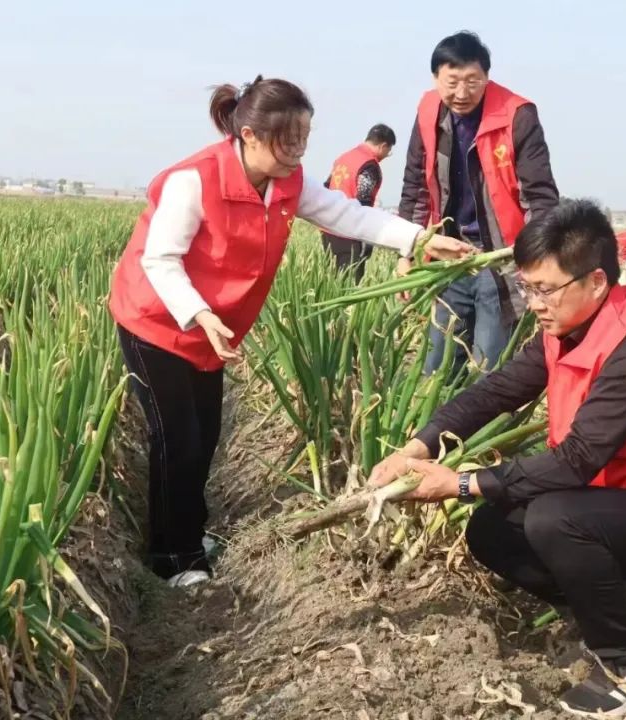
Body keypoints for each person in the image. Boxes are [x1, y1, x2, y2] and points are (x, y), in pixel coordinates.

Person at [369, 200, 626, 717]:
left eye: (544, 289)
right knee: (492, 531)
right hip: (624, 504)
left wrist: (457, 483)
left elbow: (576, 461)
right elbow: (496, 391)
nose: (534, 303)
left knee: (553, 517)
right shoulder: (564, 330)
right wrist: (419, 444)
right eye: (527, 288)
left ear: (594, 281)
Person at [108, 77, 472, 588]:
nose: (298, 151)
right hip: (158, 323)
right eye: (287, 140)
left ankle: (187, 533)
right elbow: (160, 259)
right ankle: (172, 557)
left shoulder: (288, 182)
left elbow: (350, 215)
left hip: (213, 331)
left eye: (304, 138)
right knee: (177, 441)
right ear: (250, 134)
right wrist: (200, 313)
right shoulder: (195, 180)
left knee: (206, 437)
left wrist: (422, 238)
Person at [399, 31, 559, 374]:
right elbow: (415, 184)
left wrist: (534, 266)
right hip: (448, 250)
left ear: (487, 76)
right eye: (452, 81)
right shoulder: (428, 111)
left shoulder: (517, 115)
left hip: (502, 256)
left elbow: (541, 199)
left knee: (491, 362)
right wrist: (407, 253)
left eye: (473, 81)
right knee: (438, 359)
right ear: (435, 78)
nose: (462, 93)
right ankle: (434, 425)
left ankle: (483, 425)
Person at [321, 124, 397, 281]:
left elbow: (327, 186)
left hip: (328, 228)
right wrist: (366, 239)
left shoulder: (344, 158)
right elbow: (364, 202)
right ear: (383, 146)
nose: (386, 155)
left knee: (333, 282)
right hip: (349, 232)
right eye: (388, 152)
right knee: (350, 285)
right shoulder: (369, 165)